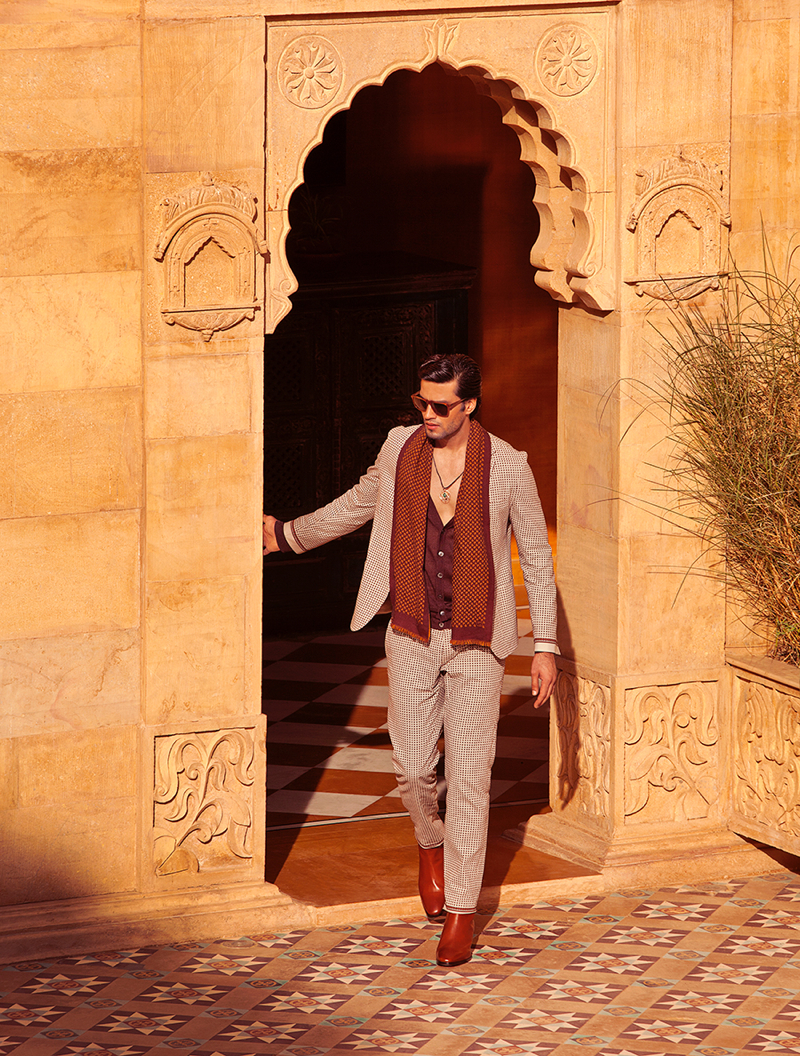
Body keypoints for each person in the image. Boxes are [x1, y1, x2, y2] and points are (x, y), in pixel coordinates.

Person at [263, 353, 557, 967]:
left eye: (441, 405)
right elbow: (358, 503)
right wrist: (288, 535)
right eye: (421, 401)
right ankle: (430, 842)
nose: (428, 413)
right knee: (412, 765)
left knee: (471, 775)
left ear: (469, 405)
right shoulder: (400, 448)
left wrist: (546, 646)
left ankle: (461, 913)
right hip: (412, 634)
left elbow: (535, 555)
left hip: (478, 641)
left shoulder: (508, 465)